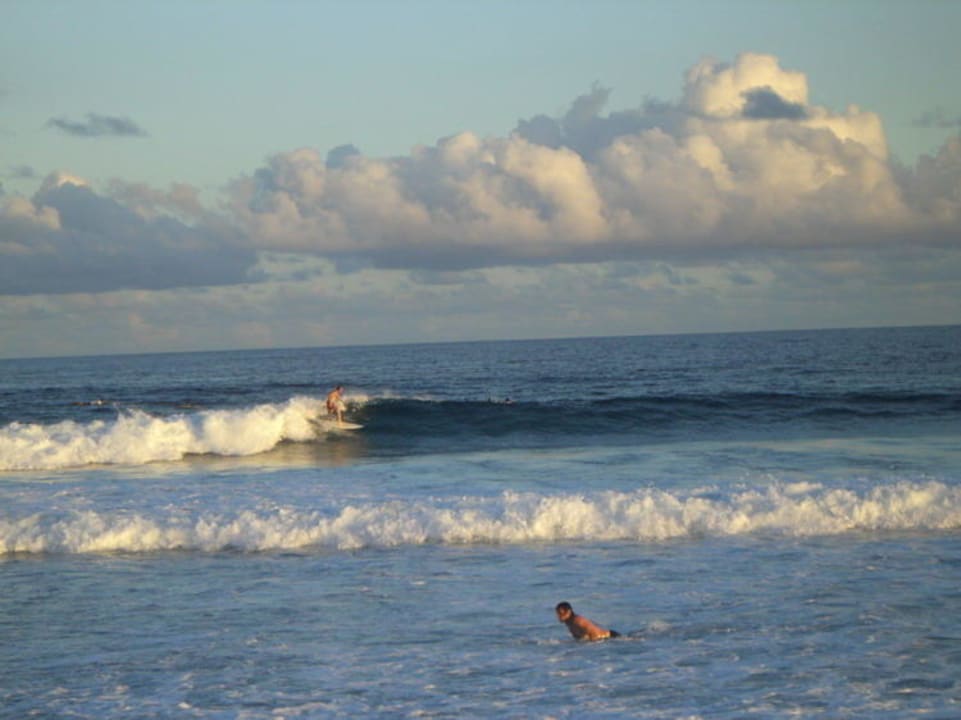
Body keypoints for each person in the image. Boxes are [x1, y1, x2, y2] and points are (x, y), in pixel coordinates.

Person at [555, 601, 620, 641]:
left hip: (611, 638)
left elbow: (595, 634)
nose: (558, 616)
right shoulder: (569, 623)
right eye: (557, 613)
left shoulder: (579, 621)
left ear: (569, 612)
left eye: (560, 613)